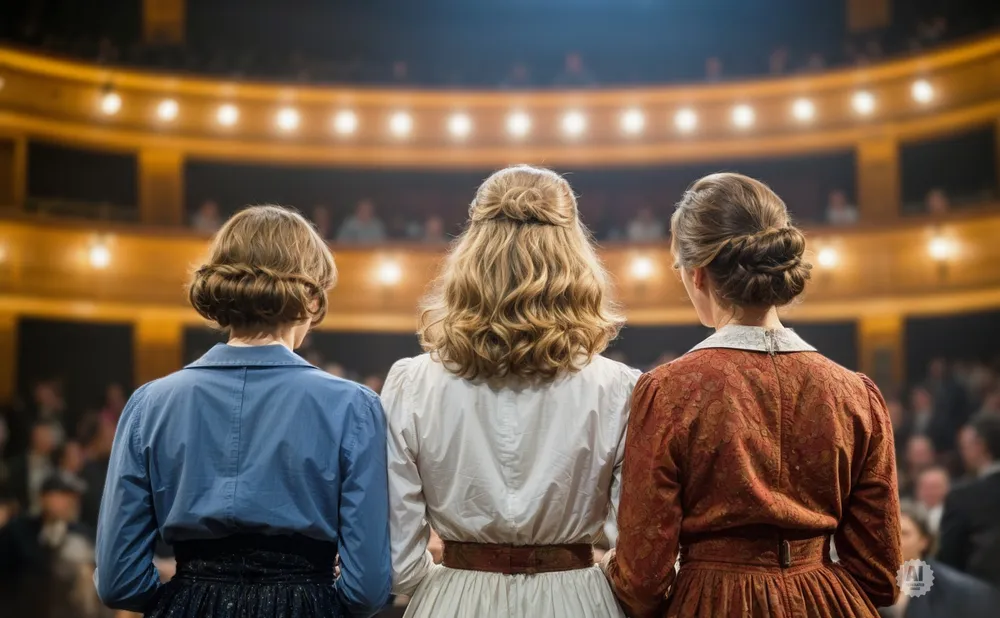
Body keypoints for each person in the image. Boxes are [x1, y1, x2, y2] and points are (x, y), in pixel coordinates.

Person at [603, 173, 902, 617]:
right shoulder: (857, 394)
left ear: (697, 273)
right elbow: (881, 574)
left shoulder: (669, 391)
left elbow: (644, 580)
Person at [94, 205, 392, 617]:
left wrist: (184, 602)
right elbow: (367, 590)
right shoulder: (354, 407)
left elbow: (118, 581)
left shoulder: (149, 404)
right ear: (309, 294)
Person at [381, 165, 637, 617]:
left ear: (472, 251)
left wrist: (445, 587)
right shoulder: (620, 388)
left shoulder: (411, 381)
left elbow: (399, 564)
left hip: (455, 598)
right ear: (575, 254)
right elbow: (632, 549)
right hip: (578, 599)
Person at [879, 501, 999, 618]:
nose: (894, 540)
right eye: (889, 532)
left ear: (924, 541)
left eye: (904, 534)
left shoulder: (956, 590)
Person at [937, 413, 1000, 587]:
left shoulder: (963, 497)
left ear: (980, 446)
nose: (962, 453)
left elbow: (948, 564)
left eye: (964, 446)